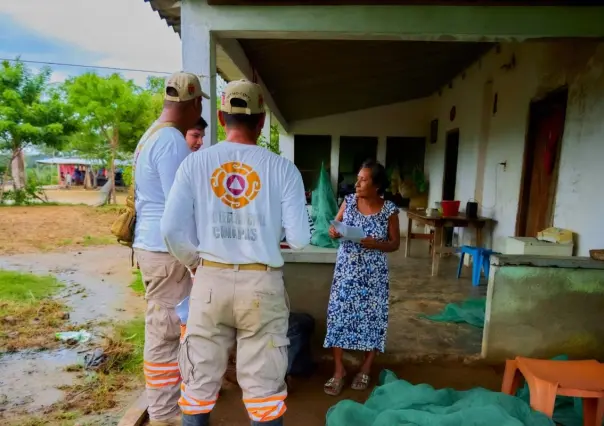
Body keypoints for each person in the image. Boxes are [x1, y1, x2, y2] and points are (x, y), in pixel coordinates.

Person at [161, 79, 310, 426]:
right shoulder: (283, 169)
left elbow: (169, 229)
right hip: (262, 286)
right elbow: (300, 238)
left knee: (197, 386)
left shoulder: (195, 163)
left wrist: (196, 263)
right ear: (261, 122)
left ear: (221, 117)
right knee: (265, 392)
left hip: (210, 280)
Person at [133, 71, 208, 426]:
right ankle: (164, 415)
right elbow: (179, 210)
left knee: (164, 330)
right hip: (166, 253)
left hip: (154, 249)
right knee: (166, 334)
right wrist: (193, 258)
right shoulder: (172, 142)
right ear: (193, 103)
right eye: (199, 105)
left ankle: (166, 408)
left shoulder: (152, 136)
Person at [323, 159, 400, 396]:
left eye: (363, 179)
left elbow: (395, 243)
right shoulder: (349, 202)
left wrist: (377, 244)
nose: (357, 183)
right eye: (357, 178)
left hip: (373, 275)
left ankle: (366, 367)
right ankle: (338, 371)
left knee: (373, 319)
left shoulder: (389, 210)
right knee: (338, 316)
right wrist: (335, 231)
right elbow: (333, 228)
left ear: (377, 185)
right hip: (346, 271)